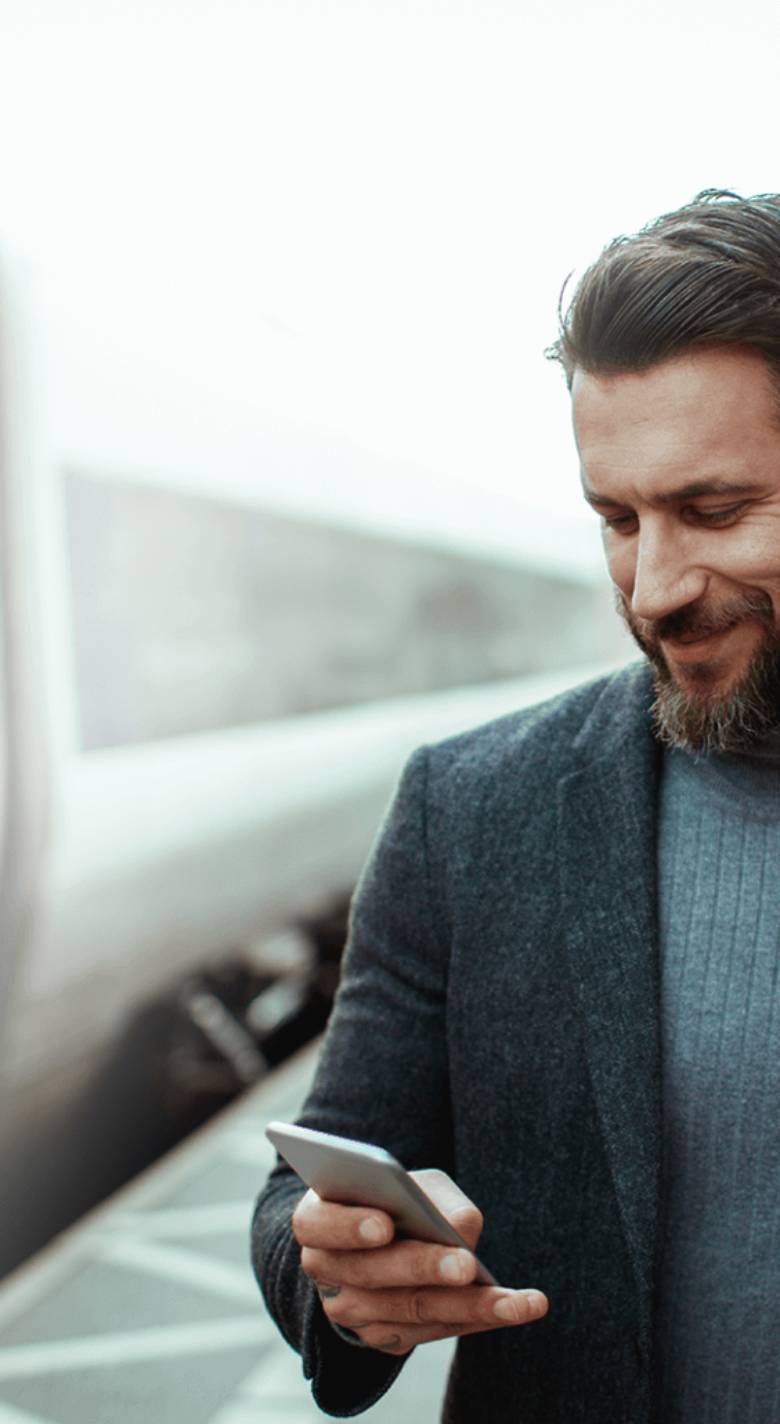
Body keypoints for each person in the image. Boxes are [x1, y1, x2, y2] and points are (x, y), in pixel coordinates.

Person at [252, 190, 780, 1423]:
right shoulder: (471, 811)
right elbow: (307, 1195)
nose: (654, 588)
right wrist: (341, 1270)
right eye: (617, 519)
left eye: (714, 511)